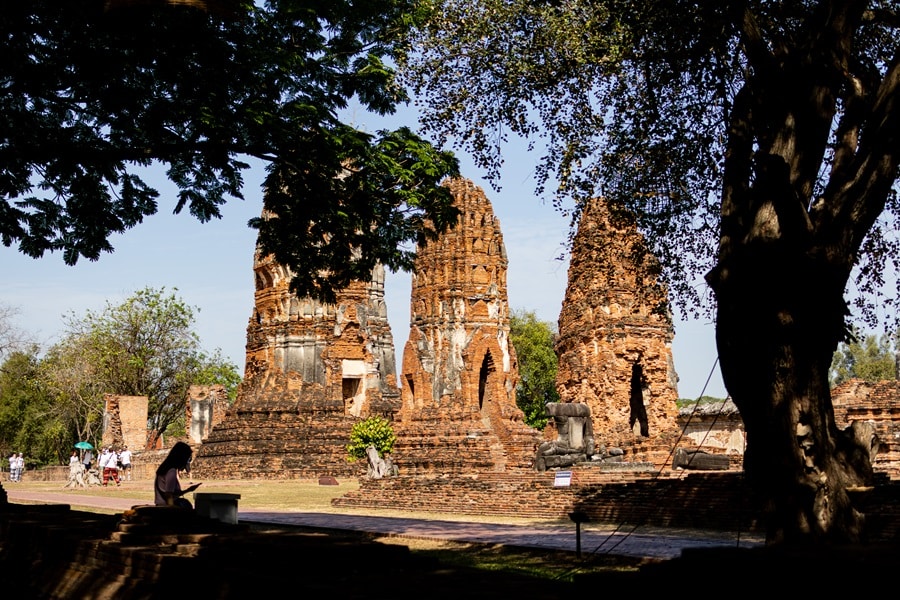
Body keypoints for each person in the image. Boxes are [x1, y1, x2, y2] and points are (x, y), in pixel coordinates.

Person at [155, 442, 201, 508]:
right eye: (186, 458)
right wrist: (173, 509)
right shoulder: (171, 471)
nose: (186, 462)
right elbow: (169, 495)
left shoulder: (165, 468)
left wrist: (188, 490)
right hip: (166, 507)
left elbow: (173, 494)